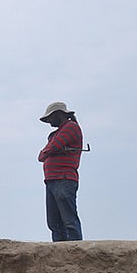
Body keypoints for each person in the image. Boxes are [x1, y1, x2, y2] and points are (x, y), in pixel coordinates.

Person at [38, 101, 83, 241]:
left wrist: (46, 152)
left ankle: (75, 247)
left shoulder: (71, 127)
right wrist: (47, 151)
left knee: (68, 220)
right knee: (54, 222)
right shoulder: (59, 132)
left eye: (50, 117)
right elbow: (46, 152)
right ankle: (60, 249)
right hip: (53, 180)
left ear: (58, 114)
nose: (49, 122)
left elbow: (51, 148)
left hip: (63, 178)